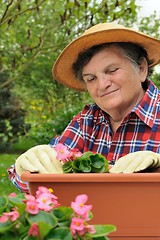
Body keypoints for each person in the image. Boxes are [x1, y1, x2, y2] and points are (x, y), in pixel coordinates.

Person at [8, 22, 160, 193]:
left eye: (112, 70)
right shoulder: (87, 122)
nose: (102, 85)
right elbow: (26, 180)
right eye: (91, 78)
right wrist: (26, 168)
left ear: (141, 68)